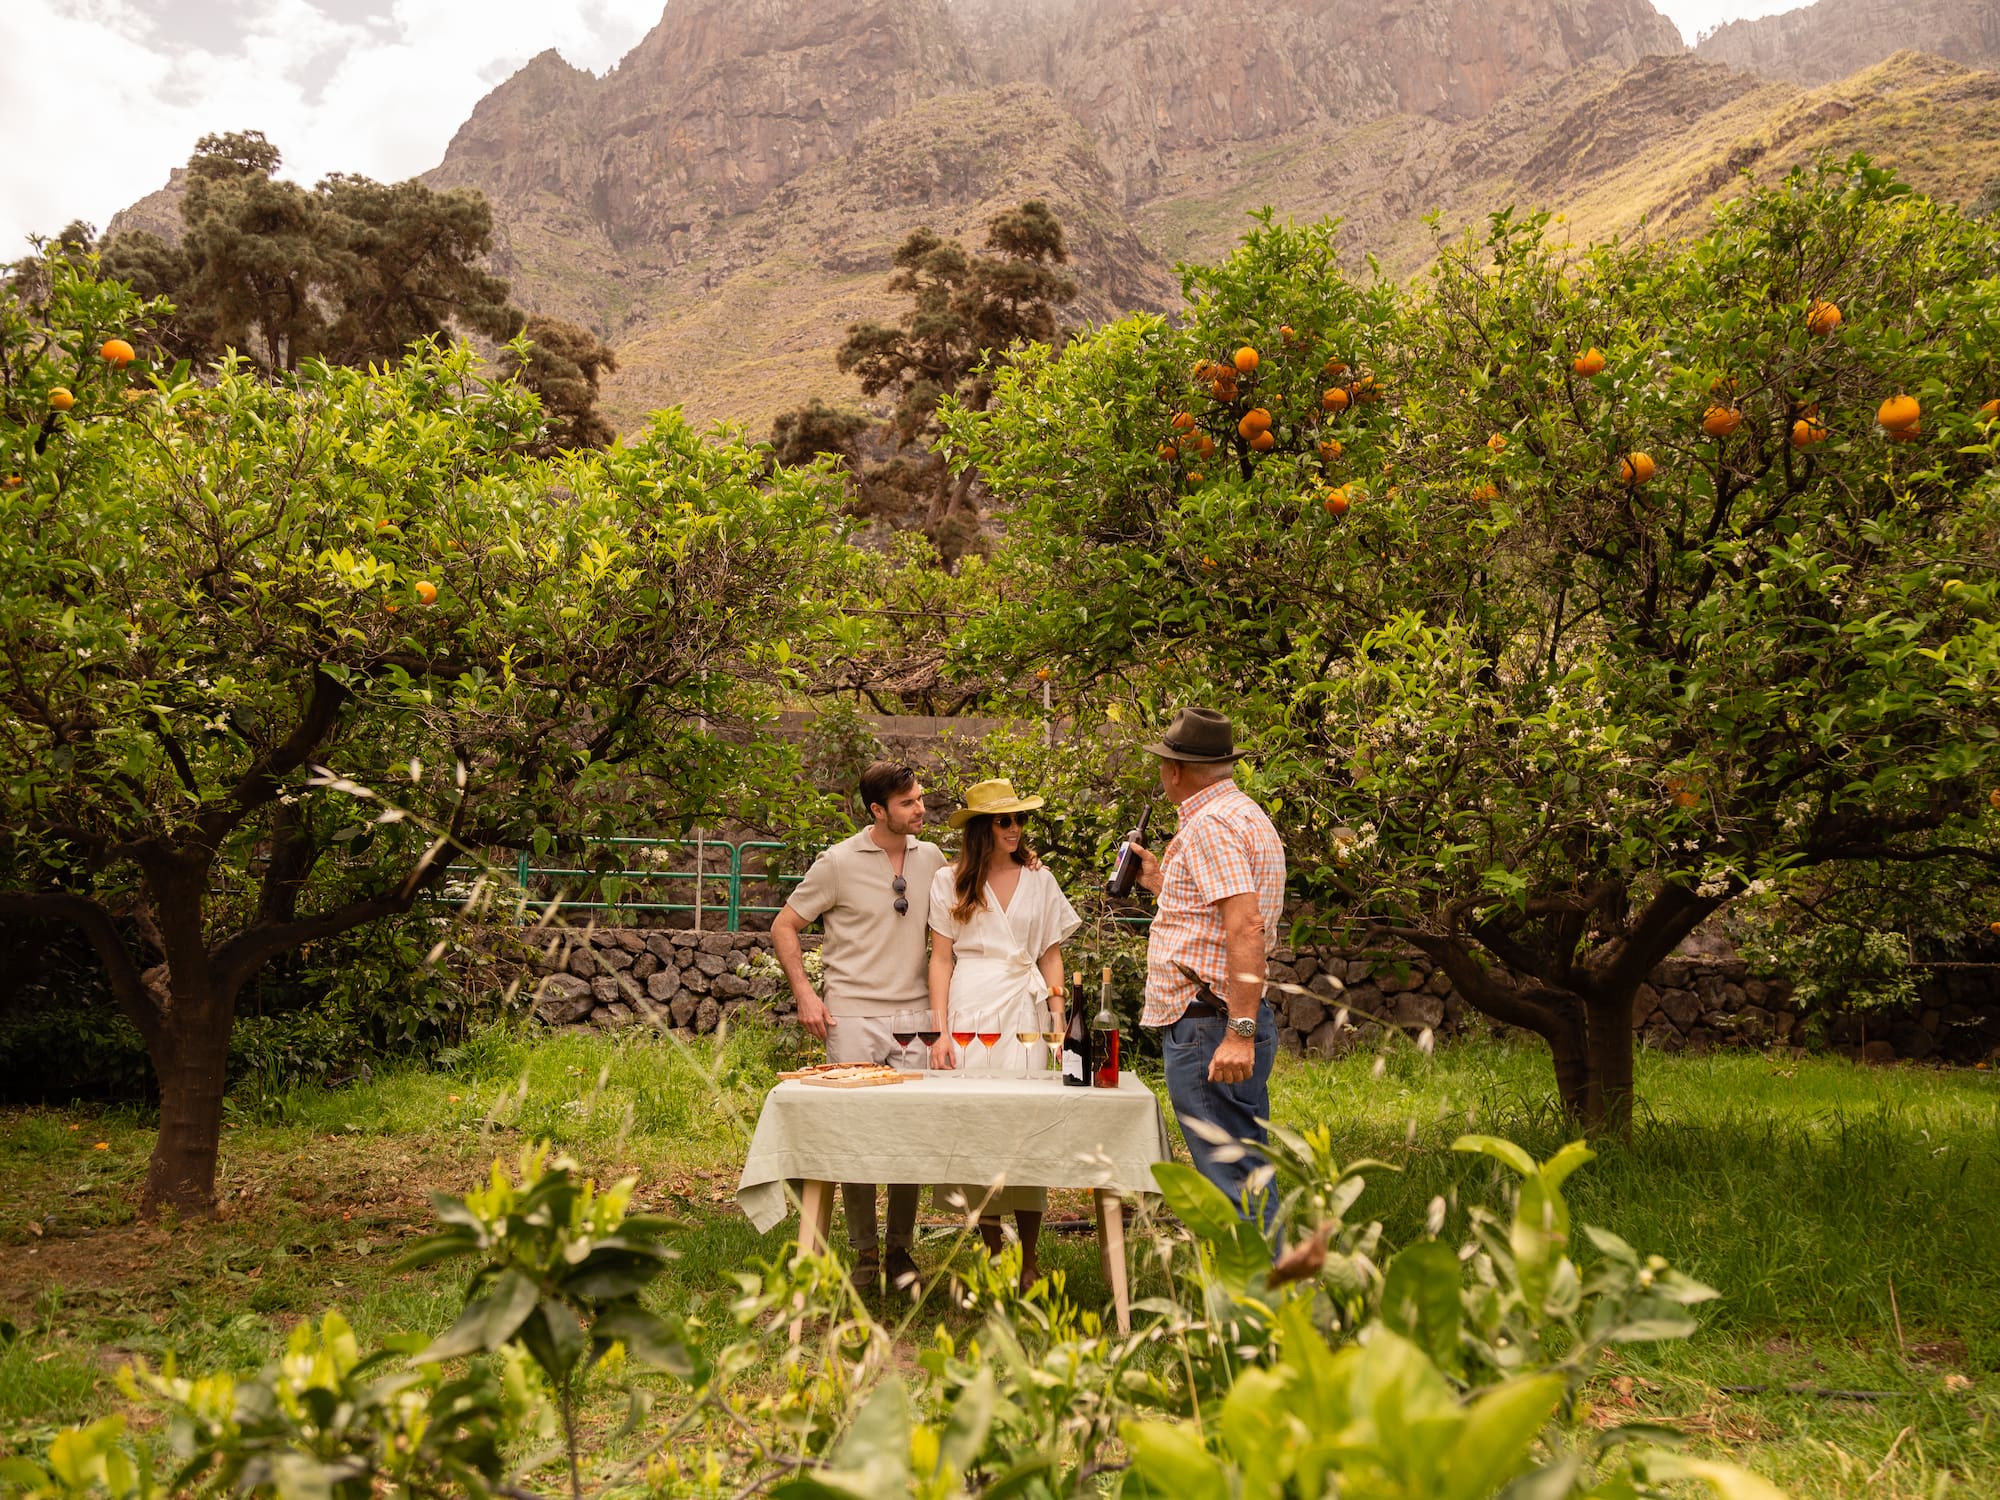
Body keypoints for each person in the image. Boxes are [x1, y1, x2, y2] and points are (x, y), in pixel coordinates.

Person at [772, 761, 948, 1294]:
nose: (921, 809)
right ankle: (865, 1253)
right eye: (909, 803)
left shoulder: (935, 859)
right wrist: (806, 994)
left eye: (920, 799)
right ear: (878, 810)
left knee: (908, 1142)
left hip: (916, 1017)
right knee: (854, 1142)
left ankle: (900, 1250)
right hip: (850, 1015)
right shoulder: (837, 863)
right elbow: (785, 926)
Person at [1128, 708, 1287, 1229]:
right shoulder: (1241, 813)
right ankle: (1272, 1296)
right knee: (1246, 1166)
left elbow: (1245, 928)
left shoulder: (1210, 826)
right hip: (1220, 1017)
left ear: (1175, 769)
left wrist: (1239, 1033)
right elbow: (1215, 919)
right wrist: (1159, 883)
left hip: (1212, 1023)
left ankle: (1262, 1302)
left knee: (1233, 1178)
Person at [926, 778, 1081, 1289]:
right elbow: (941, 959)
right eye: (1003, 820)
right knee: (981, 1129)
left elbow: (1051, 954)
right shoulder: (948, 881)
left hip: (1025, 1011)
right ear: (979, 829)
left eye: (1019, 820)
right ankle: (994, 1250)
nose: (1015, 829)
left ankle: (1031, 1257)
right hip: (972, 1005)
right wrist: (941, 1030)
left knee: (1024, 1128)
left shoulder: (1040, 879)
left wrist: (1058, 1021)